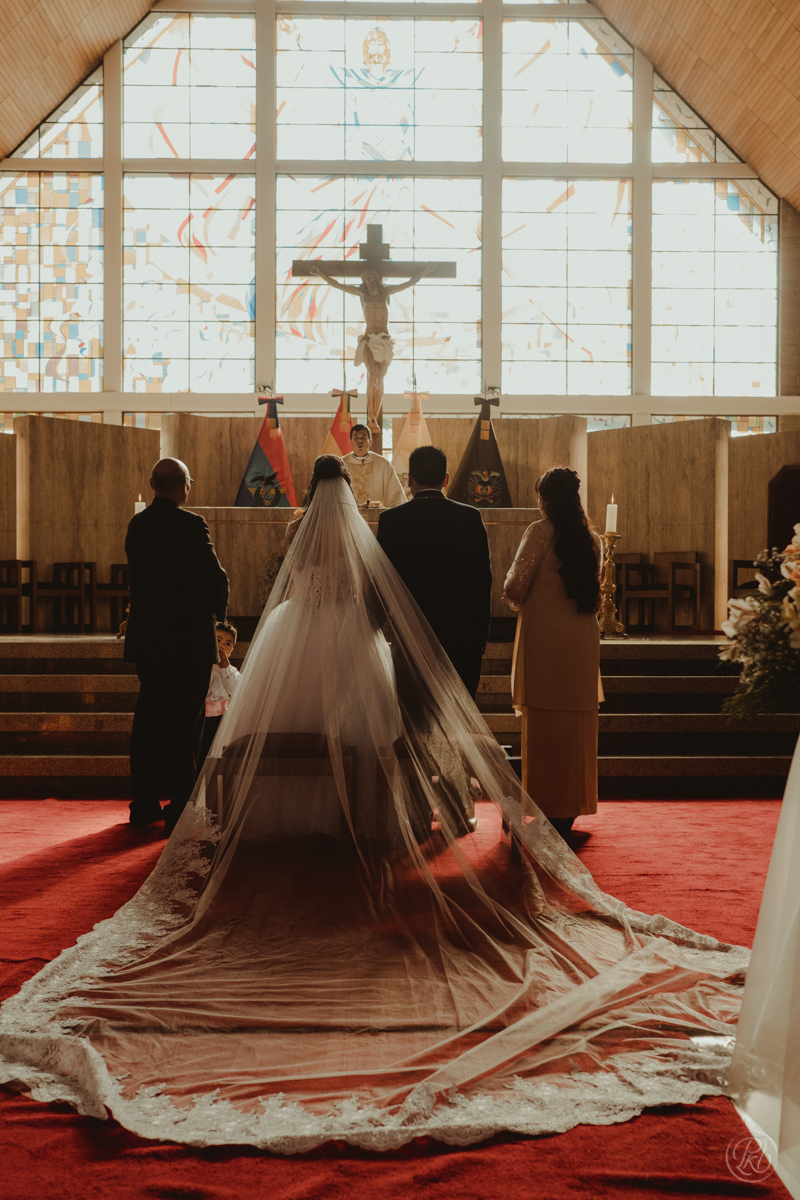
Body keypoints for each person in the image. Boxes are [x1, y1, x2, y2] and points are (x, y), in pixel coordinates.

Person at [0, 459, 749, 1152]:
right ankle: (365, 815)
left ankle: (262, 813)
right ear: (352, 493)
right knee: (369, 728)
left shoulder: (297, 532)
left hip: (295, 632)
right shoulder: (379, 529)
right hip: (367, 639)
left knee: (243, 719)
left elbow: (281, 584)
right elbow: (381, 592)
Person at [124, 457, 229, 833]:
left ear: (152, 484)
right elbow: (215, 578)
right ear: (184, 485)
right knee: (187, 724)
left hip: (150, 640)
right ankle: (181, 807)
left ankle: (144, 802)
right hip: (187, 640)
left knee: (149, 720)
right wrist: (219, 615)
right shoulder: (191, 524)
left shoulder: (138, 525)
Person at [502, 467, 602, 839]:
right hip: (580, 637)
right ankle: (571, 806)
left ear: (545, 499)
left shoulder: (539, 532)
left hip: (545, 637)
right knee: (576, 723)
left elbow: (515, 587)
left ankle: (545, 804)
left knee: (544, 723)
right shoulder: (592, 539)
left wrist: (511, 591)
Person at [377, 444, 491, 699]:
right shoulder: (470, 518)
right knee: (460, 713)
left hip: (409, 636)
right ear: (446, 479)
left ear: (410, 479)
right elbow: (483, 581)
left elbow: (383, 581)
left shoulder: (391, 521)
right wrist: (480, 638)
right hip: (461, 637)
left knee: (413, 711)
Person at [197, 621, 241, 770]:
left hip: (220, 719)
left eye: (228, 644)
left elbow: (237, 690)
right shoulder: (202, 666)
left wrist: (225, 668)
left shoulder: (230, 670)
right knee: (200, 753)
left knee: (217, 755)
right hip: (201, 717)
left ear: (232, 650)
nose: (222, 646)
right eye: (217, 640)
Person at [342, 423, 406, 509]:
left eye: (363, 437)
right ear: (350, 441)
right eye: (356, 437)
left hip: (375, 514)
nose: (360, 441)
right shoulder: (341, 464)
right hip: (348, 514)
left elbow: (396, 497)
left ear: (370, 442)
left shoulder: (383, 464)